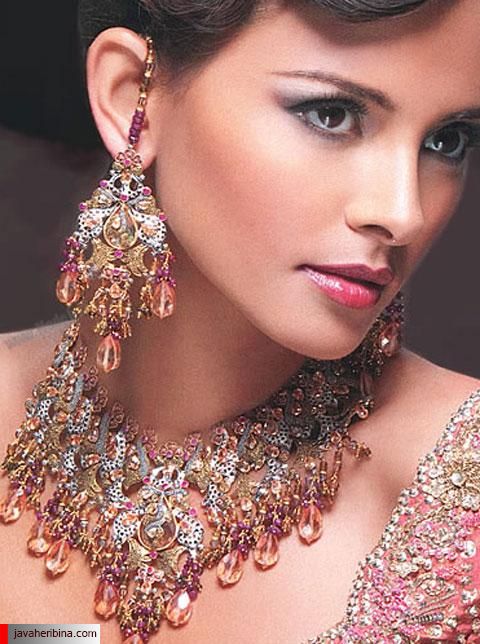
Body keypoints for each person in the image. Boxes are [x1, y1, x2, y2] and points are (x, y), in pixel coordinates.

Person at [1, 0, 480, 642]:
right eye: (331, 114)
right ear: (131, 98)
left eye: (448, 141)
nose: (403, 213)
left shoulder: (458, 492)